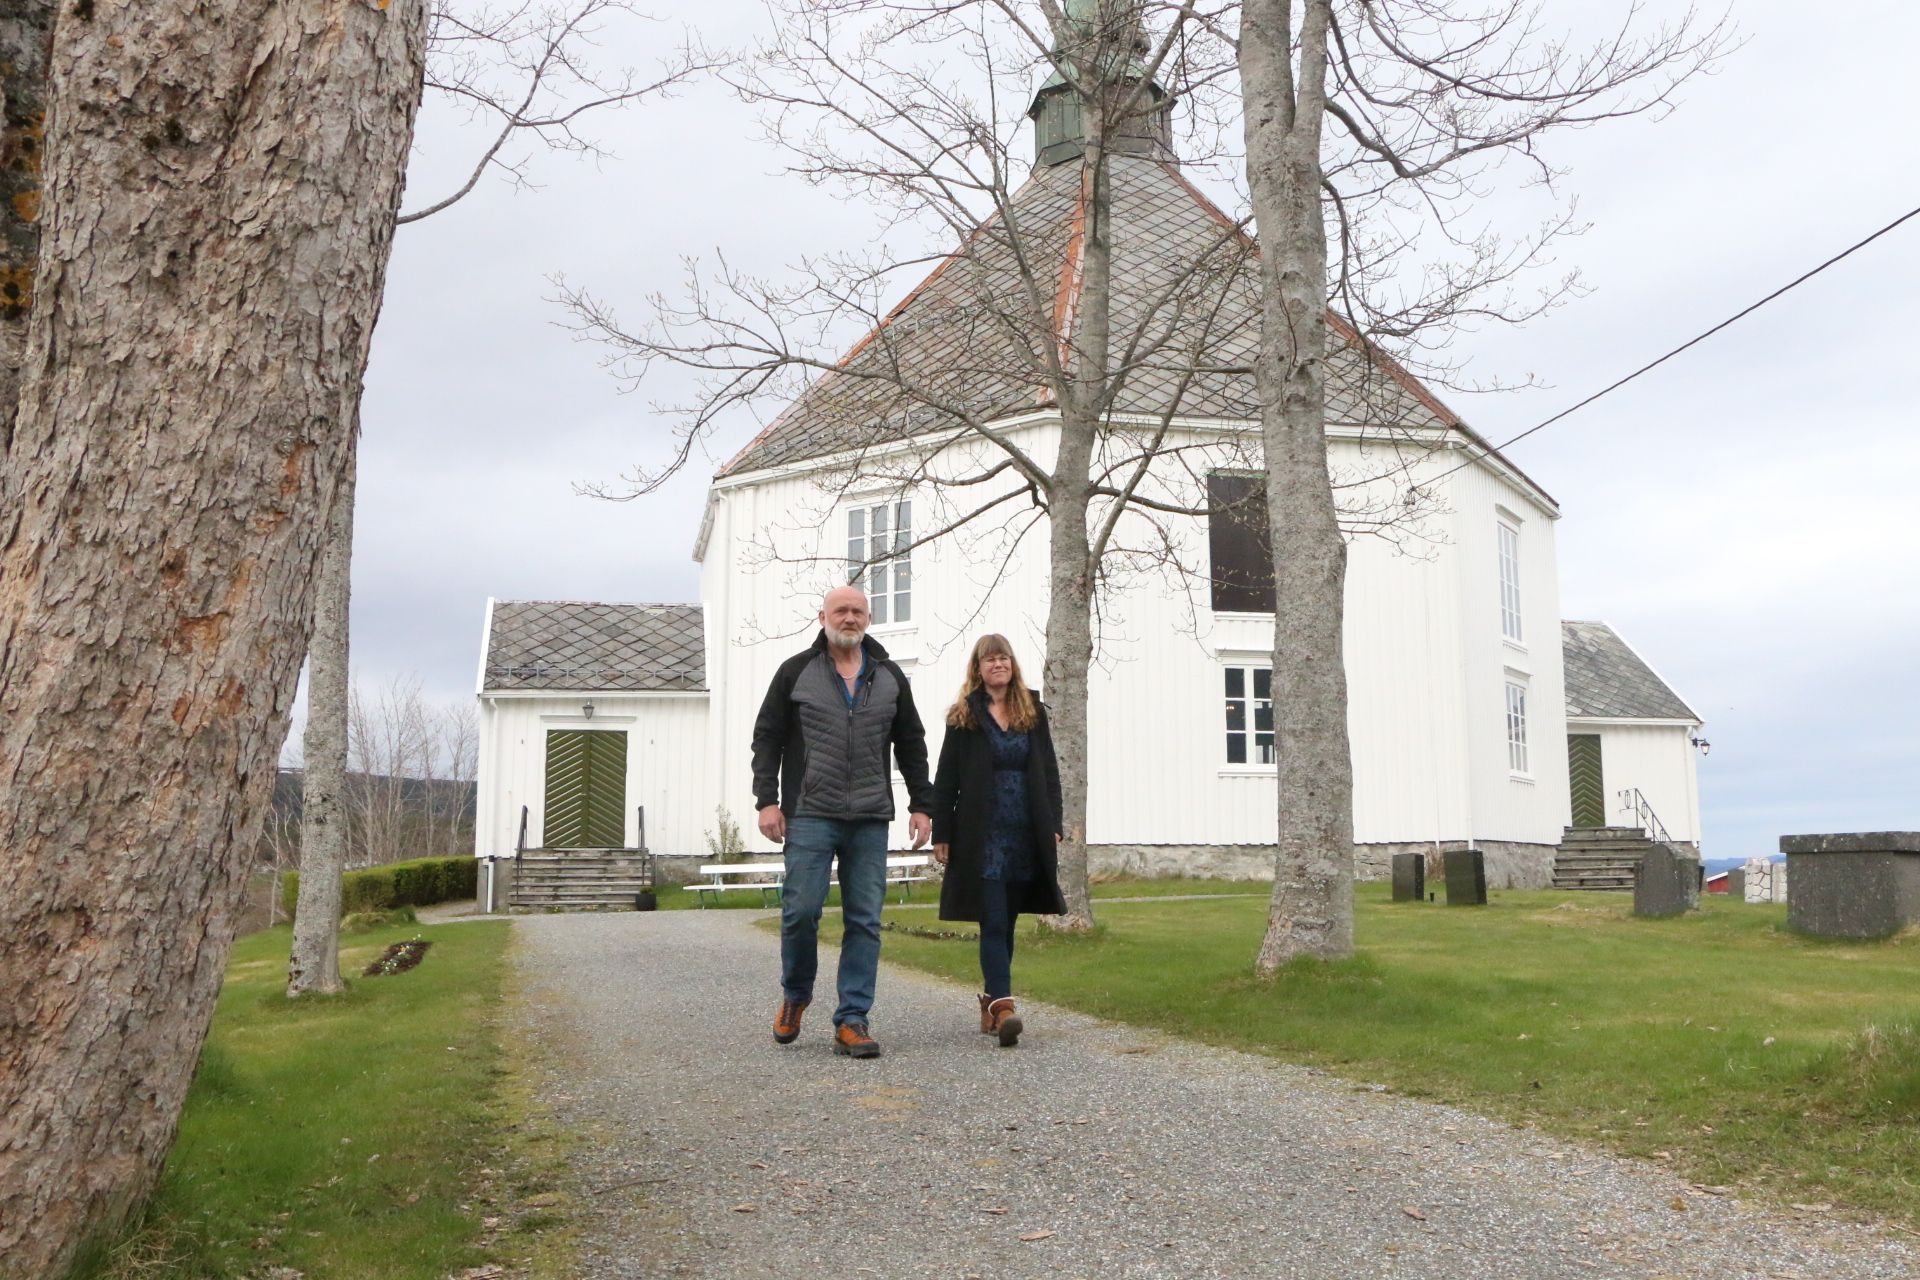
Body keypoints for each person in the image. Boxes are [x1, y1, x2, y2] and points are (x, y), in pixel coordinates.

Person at [752, 584, 933, 1059]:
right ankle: (795, 995)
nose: (849, 618)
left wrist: (922, 805)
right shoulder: (795, 672)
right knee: (801, 912)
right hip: (810, 813)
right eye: (841, 611)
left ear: (868, 620)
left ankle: (852, 1019)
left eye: (857, 611)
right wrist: (766, 801)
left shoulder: (889, 675)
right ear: (823, 617)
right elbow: (767, 738)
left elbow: (911, 743)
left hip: (871, 816)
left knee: (865, 922)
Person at [929, 635, 1066, 1047]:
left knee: (1006, 921)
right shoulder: (963, 717)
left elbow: (1049, 772)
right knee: (991, 917)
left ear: (1013, 664)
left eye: (1003, 657)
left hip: (1024, 830)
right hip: (980, 832)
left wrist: (1054, 823)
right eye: (990, 659)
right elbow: (947, 778)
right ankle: (1004, 1007)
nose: (998, 665)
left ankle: (990, 1001)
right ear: (979, 668)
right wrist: (942, 831)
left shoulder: (1032, 711)